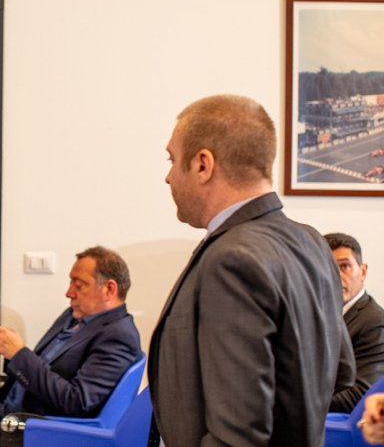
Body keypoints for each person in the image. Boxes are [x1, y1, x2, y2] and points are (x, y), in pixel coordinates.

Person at [148, 94, 355, 446]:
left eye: (171, 159)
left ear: (203, 164)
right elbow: (341, 371)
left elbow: (237, 437)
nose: (168, 176)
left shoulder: (232, 260)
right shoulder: (312, 242)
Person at [0, 246, 142, 447]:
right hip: (9, 406)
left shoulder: (118, 336)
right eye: (70, 282)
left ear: (109, 289)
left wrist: (19, 354)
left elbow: (75, 402)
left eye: (79, 284)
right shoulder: (72, 316)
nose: (69, 293)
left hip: (32, 425)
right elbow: (47, 368)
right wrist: (11, 349)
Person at [325, 232, 384, 413]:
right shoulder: (311, 312)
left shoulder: (376, 322)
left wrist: (300, 407)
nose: (336, 276)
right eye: (328, 267)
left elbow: (361, 395)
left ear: (363, 271)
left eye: (344, 267)